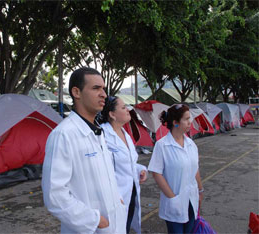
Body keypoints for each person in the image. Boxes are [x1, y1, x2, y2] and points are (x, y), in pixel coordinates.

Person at [42, 67, 127, 234]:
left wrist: (118, 200)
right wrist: (94, 220)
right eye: (96, 88)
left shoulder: (97, 132)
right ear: (76, 92)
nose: (103, 94)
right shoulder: (63, 135)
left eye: (104, 89)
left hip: (115, 224)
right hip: (91, 228)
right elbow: (54, 195)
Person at [148, 104, 204, 234]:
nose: (190, 122)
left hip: (191, 199)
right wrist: (172, 198)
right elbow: (157, 173)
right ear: (175, 123)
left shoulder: (191, 144)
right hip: (174, 200)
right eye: (186, 119)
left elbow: (195, 169)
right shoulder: (162, 145)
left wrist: (200, 190)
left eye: (190, 118)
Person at [99, 96, 148, 234]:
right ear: (112, 114)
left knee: (124, 228)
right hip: (115, 197)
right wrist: (113, 195)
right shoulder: (102, 135)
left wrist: (140, 170)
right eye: (123, 107)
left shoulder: (124, 133)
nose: (128, 110)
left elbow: (129, 162)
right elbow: (101, 169)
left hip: (130, 193)